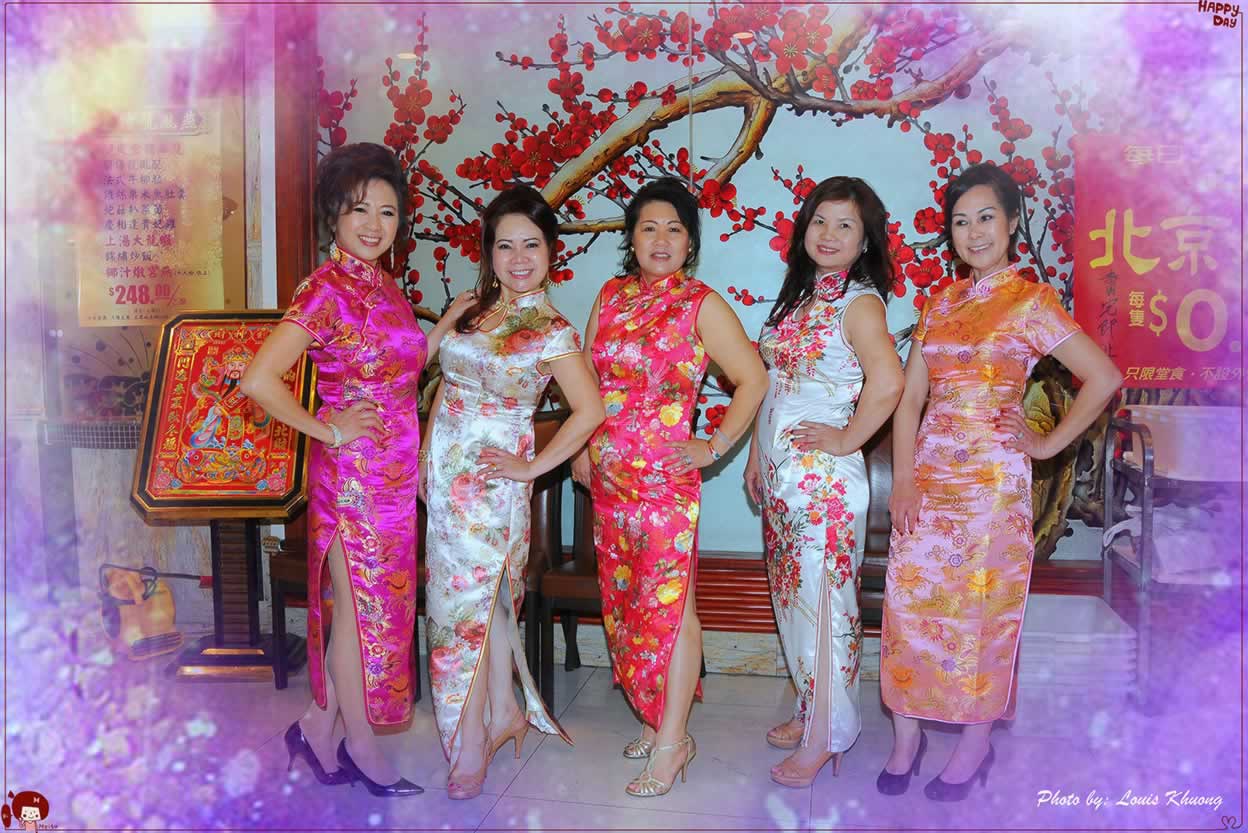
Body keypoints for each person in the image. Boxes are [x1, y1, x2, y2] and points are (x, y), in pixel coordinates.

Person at [877, 163, 1122, 800]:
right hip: (927, 481)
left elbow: (1103, 377)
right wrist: (903, 480)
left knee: (980, 616)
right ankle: (907, 737)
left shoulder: (1031, 302)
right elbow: (909, 401)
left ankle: (974, 744)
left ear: (1012, 223)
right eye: (961, 222)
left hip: (991, 486)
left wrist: (1045, 444)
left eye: (986, 217)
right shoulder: (939, 303)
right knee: (908, 608)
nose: (974, 232)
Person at [241, 142, 471, 797]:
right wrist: (330, 427)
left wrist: (444, 328)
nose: (374, 224)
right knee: (359, 614)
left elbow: (400, 369)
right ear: (333, 216)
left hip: (394, 476)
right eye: (358, 209)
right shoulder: (323, 290)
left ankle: (317, 727)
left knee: (374, 612)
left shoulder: (384, 285)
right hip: (352, 479)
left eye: (388, 212)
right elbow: (259, 378)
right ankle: (360, 745)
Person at [571, 177, 768, 797]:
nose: (661, 239)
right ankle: (655, 716)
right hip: (609, 486)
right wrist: (579, 447)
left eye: (674, 229)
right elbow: (585, 378)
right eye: (649, 227)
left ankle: (673, 741)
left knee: (672, 608)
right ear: (631, 238)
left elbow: (754, 379)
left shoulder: (700, 304)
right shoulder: (609, 295)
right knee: (628, 609)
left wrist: (715, 445)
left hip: (664, 489)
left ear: (690, 242)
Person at [422, 185, 604, 800]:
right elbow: (445, 386)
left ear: (551, 251)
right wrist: (425, 456)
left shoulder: (552, 330)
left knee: (465, 611)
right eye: (505, 246)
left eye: (531, 245)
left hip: (495, 483)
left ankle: (470, 739)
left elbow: (589, 411)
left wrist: (531, 470)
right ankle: (504, 711)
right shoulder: (472, 313)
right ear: (489, 252)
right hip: (446, 478)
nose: (518, 258)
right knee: (486, 604)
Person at [744, 177, 904, 787]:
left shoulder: (859, 303)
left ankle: (828, 736)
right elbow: (773, 386)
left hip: (823, 486)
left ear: (865, 241)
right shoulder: (799, 299)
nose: (829, 235)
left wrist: (847, 439)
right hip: (781, 476)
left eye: (845, 225)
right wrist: (757, 455)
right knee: (794, 602)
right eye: (820, 221)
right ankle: (813, 706)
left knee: (824, 609)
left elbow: (888, 382)